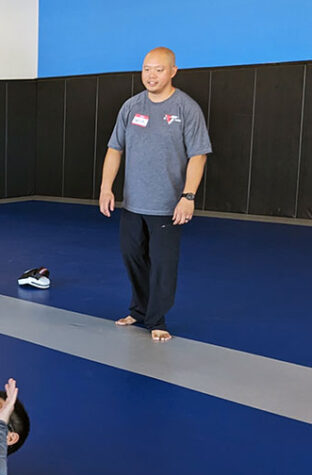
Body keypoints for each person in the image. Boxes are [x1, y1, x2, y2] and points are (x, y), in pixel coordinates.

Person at [99, 47, 211, 342]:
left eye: (159, 69)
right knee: (132, 256)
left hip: (167, 205)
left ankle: (156, 319)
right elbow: (115, 148)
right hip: (134, 202)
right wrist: (106, 188)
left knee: (162, 264)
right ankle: (139, 309)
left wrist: (188, 196)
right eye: (147, 68)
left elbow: (198, 155)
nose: (151, 75)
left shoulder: (186, 108)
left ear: (173, 71)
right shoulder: (131, 107)